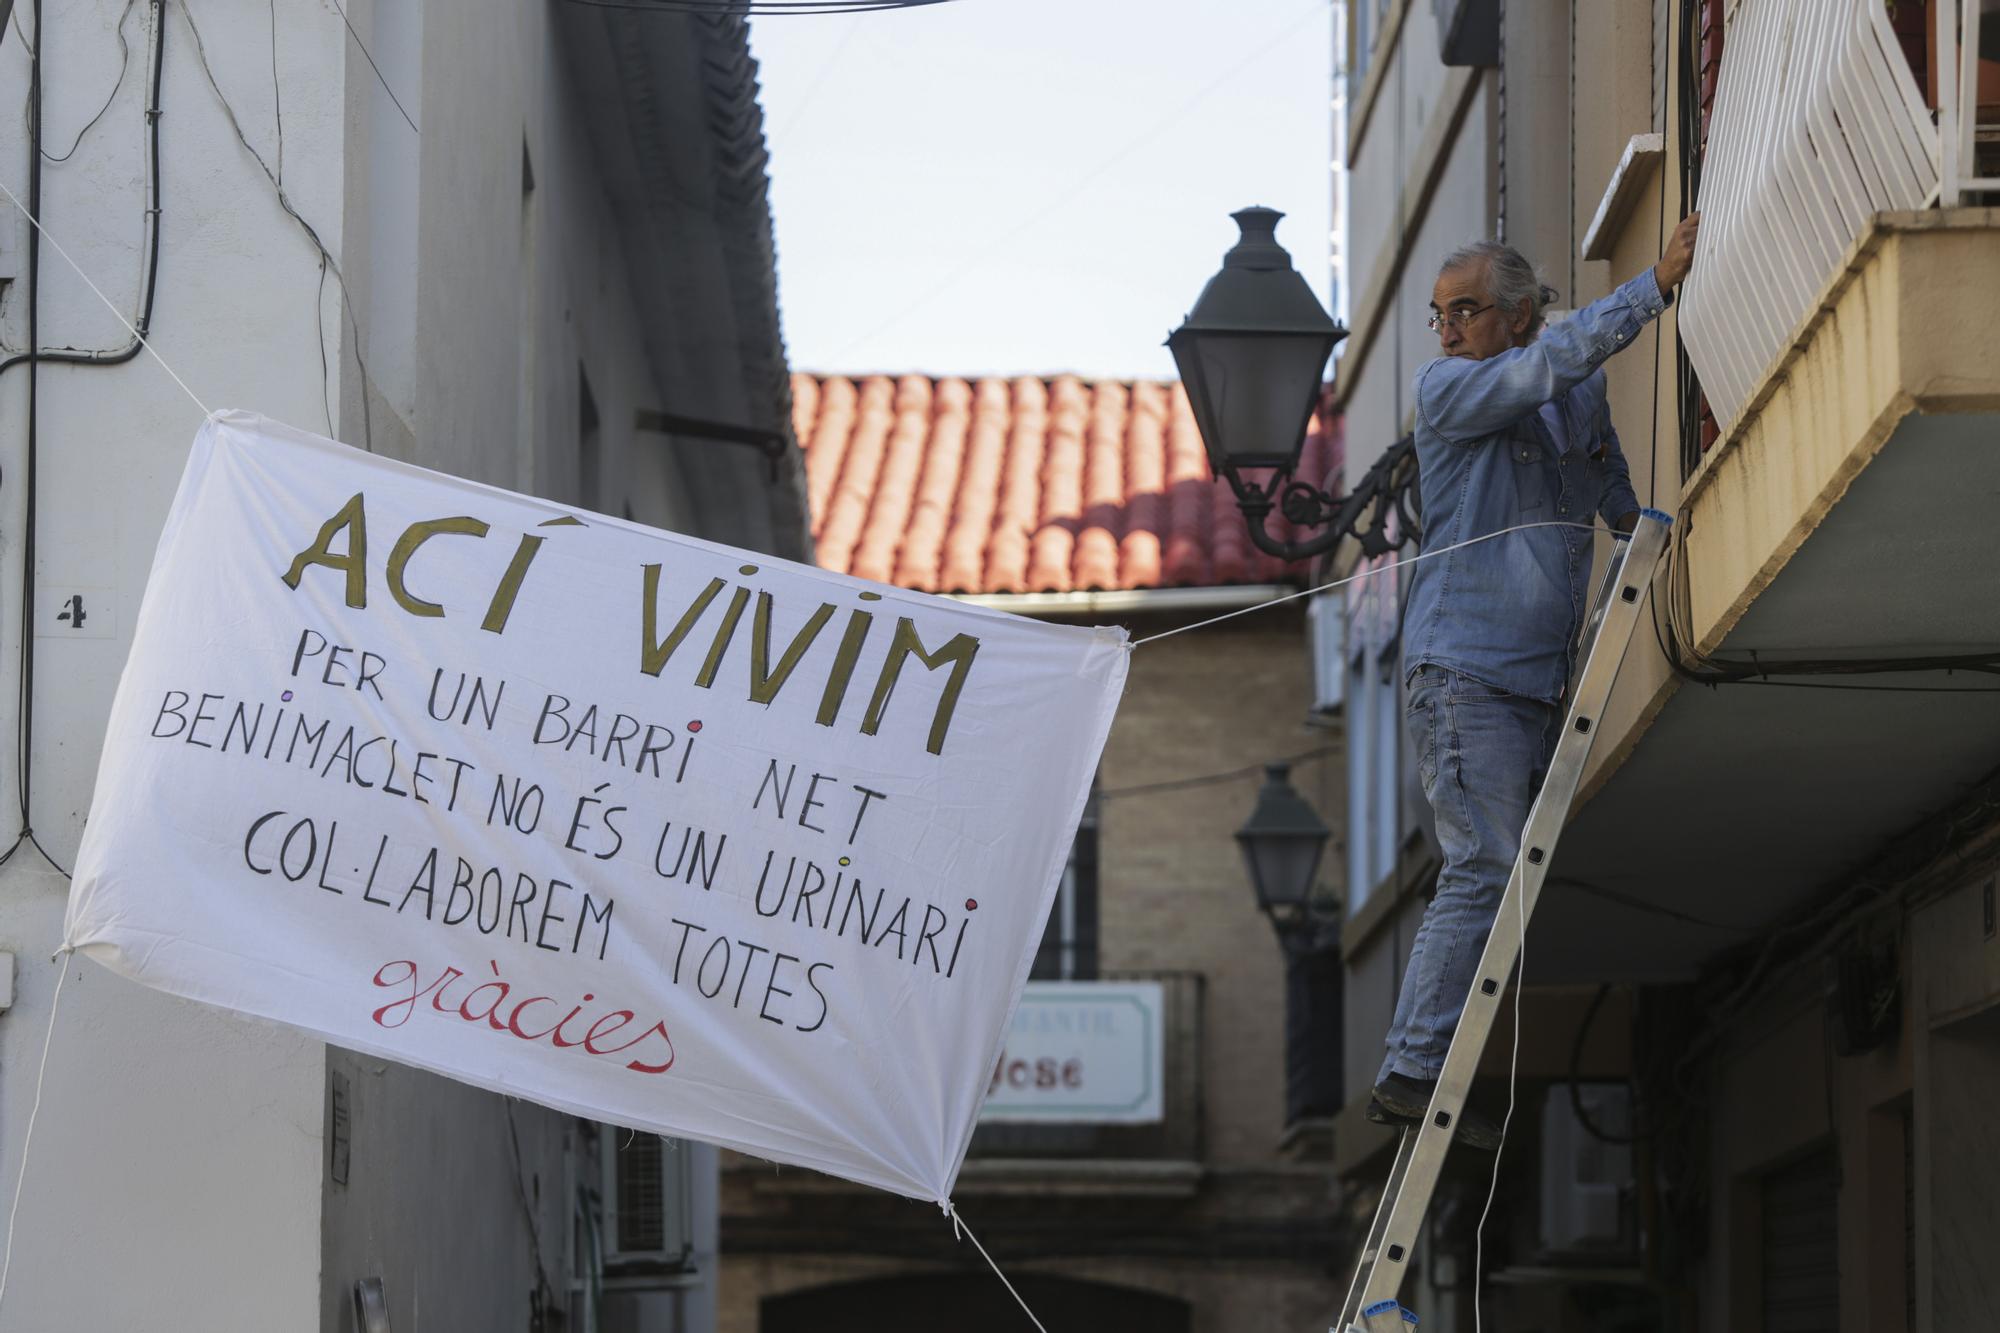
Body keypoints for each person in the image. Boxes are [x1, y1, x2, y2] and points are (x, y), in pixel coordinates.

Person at [1367, 214, 1702, 1149]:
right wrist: (1652, 288)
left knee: (1506, 873)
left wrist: (1654, 537)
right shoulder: (1450, 390)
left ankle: (1434, 1068)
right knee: (1483, 862)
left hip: (1538, 679)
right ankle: (1409, 1070)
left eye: (1464, 311)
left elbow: (1603, 479)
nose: (1446, 331)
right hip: (1466, 671)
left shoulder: (1569, 384)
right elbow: (1537, 375)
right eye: (1438, 316)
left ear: (1516, 313)